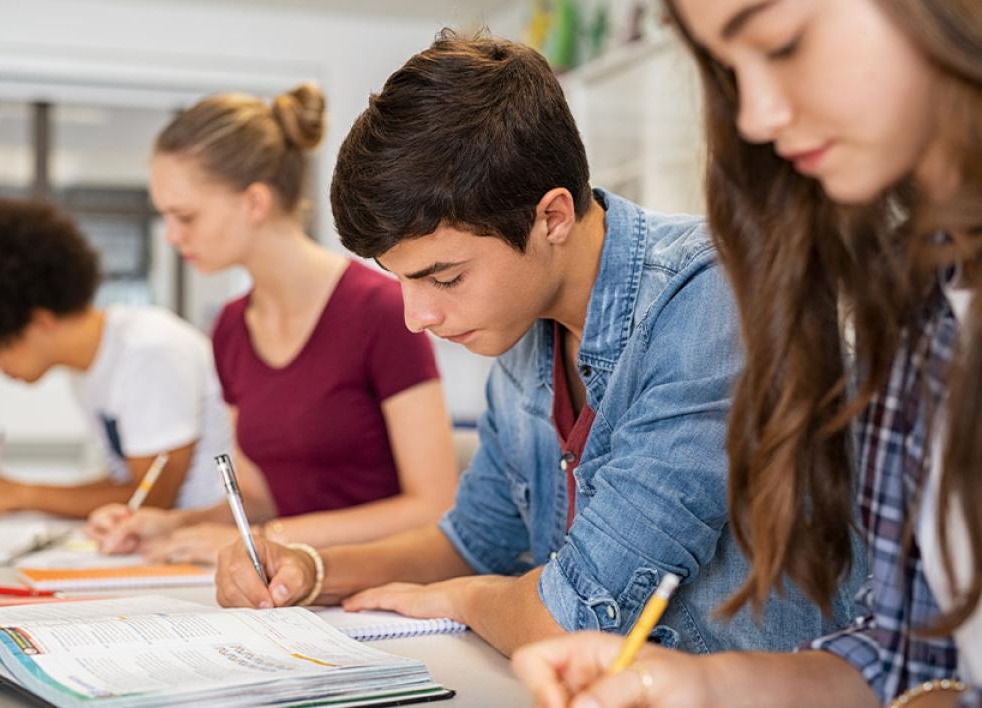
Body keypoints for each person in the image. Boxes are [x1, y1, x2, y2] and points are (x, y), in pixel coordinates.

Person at [213, 33, 858, 658]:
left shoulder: (711, 299)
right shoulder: (525, 327)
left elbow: (576, 619)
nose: (416, 316)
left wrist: (469, 600)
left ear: (551, 217)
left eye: (444, 277)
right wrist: (310, 567)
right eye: (402, 280)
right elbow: (474, 542)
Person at [511, 1, 982, 706]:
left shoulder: (697, 295)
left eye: (784, 44)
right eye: (730, 71)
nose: (756, 116)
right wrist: (700, 685)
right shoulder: (922, 306)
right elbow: (910, 658)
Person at [85, 83, 459, 561]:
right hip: (290, 588)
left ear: (254, 203)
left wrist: (266, 540)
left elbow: (432, 506)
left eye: (185, 217)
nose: (174, 237)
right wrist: (169, 525)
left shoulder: (383, 310)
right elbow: (259, 501)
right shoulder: (230, 328)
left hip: (383, 586)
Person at [0, 199, 231, 520]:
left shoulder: (149, 350)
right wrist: (12, 493)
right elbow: (128, 484)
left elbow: (152, 498)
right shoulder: (88, 369)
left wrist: (20, 494)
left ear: (40, 321)